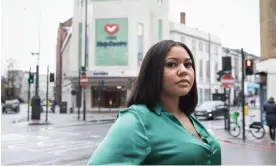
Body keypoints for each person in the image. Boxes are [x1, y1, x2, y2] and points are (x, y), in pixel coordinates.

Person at [87, 40, 221, 165]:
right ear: (153, 73)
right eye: (171, 64)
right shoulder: (137, 120)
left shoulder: (188, 117)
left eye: (188, 64)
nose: (184, 71)